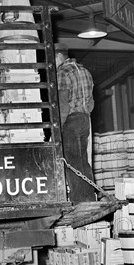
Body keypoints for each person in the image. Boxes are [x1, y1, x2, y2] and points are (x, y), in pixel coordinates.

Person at [55, 43, 96, 202]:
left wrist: (58, 128)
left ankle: (79, 200)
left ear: (59, 56)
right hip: (85, 120)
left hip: (71, 121)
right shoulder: (86, 71)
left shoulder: (63, 72)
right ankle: (89, 197)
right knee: (83, 160)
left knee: (72, 162)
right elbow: (91, 102)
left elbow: (63, 104)